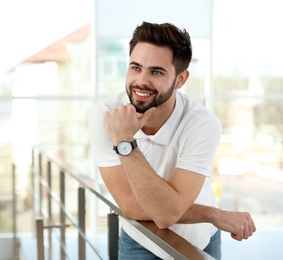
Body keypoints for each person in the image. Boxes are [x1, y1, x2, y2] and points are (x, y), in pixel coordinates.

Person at [89, 21, 256, 259]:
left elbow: (167, 214)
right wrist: (213, 214)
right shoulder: (105, 116)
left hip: (199, 239)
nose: (141, 81)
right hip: (139, 238)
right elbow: (130, 205)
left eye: (156, 71)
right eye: (135, 68)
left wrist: (125, 143)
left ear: (180, 79)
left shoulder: (202, 123)